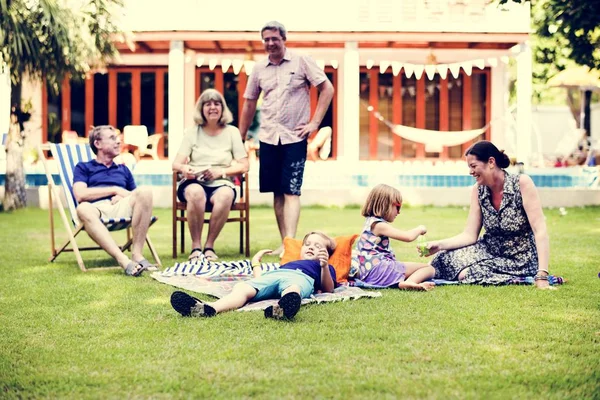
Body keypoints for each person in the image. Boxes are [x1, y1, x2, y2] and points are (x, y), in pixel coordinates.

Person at [238, 20, 335, 255]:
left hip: (294, 137)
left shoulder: (302, 61)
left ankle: (291, 243)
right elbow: (250, 103)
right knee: (277, 192)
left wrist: (314, 123)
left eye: (275, 38)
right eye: (266, 39)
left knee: (292, 190)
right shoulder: (259, 69)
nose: (270, 43)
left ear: (284, 39)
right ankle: (285, 243)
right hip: (269, 137)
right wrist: (239, 137)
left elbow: (327, 89)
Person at [423, 141, 552, 289]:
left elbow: (540, 230)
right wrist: (439, 245)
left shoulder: (522, 183)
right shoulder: (478, 190)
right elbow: (470, 235)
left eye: (473, 166)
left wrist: (542, 276)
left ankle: (517, 277)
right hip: (488, 249)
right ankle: (405, 277)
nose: (470, 172)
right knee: (442, 259)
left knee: (468, 273)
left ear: (491, 162)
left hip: (520, 257)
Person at [170, 231, 337, 320]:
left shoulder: (324, 266)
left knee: (293, 288)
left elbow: (328, 289)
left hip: (300, 278)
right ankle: (209, 308)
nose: (311, 247)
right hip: (275, 274)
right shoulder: (287, 263)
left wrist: (323, 266)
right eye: (307, 244)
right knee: (243, 287)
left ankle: (282, 309)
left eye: (318, 246)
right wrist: (256, 264)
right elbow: (261, 282)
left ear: (326, 253)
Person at [172, 89, 249, 262]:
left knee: (226, 194)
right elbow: (176, 164)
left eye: (216, 103)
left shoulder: (232, 132)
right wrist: (186, 169)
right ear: (201, 108)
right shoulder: (192, 132)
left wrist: (220, 171)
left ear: (222, 108)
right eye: (208, 104)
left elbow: (244, 165)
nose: (212, 107)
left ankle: (209, 246)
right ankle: (196, 247)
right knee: (196, 193)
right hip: (194, 181)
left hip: (221, 181)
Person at [72, 125, 154, 277]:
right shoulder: (83, 167)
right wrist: (114, 190)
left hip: (120, 207)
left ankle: (137, 255)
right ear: (98, 144)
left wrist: (123, 196)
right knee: (82, 208)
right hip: (95, 210)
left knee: (146, 192)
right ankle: (123, 260)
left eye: (117, 138)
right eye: (112, 138)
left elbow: (135, 195)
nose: (118, 142)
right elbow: (80, 194)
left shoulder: (123, 170)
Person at [350, 184, 435, 291]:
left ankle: (406, 281)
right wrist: (420, 228)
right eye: (397, 206)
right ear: (384, 205)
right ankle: (409, 282)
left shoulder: (369, 222)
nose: (399, 212)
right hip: (379, 270)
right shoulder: (379, 225)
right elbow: (408, 237)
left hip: (367, 272)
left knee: (414, 269)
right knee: (429, 269)